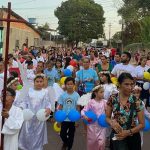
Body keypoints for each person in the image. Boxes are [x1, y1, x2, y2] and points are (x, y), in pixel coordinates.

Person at [106, 72, 144, 150]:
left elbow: (142, 124)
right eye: (126, 84)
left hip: (132, 137)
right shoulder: (112, 98)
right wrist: (112, 123)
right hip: (117, 136)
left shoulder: (137, 101)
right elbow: (107, 117)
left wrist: (128, 132)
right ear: (119, 84)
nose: (130, 87)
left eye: (132, 84)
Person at [19, 75, 51, 150]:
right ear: (34, 82)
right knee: (27, 133)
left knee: (38, 134)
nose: (39, 83)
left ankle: (37, 148)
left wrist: (48, 109)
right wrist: (21, 108)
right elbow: (24, 102)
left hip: (39, 117)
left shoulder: (45, 92)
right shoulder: (29, 91)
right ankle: (25, 147)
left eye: (41, 81)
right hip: (29, 117)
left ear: (43, 82)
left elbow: (48, 103)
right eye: (37, 81)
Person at [81, 85, 107, 150]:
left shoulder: (105, 102)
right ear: (95, 93)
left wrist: (110, 117)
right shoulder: (91, 102)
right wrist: (85, 116)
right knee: (92, 143)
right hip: (92, 126)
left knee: (101, 143)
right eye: (101, 92)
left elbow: (109, 112)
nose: (103, 93)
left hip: (102, 126)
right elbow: (83, 110)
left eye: (103, 92)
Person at [57, 77, 80, 150]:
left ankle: (69, 147)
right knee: (62, 134)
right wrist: (58, 120)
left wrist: (76, 120)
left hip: (72, 119)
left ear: (74, 85)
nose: (70, 85)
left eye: (71, 84)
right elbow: (60, 107)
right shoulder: (62, 95)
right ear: (65, 85)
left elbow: (78, 108)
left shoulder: (76, 95)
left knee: (71, 135)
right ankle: (66, 143)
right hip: (64, 118)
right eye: (68, 84)